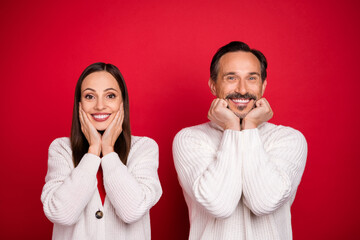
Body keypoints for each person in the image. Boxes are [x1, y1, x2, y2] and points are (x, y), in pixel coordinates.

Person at [173, 41, 307, 240]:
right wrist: (232, 128)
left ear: (263, 85)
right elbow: (220, 204)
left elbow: (263, 203)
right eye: (231, 78)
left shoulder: (288, 139)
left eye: (252, 78)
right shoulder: (190, 139)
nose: (243, 90)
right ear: (213, 85)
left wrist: (250, 126)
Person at [41, 62, 162, 240]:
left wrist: (108, 151)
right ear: (79, 104)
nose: (99, 106)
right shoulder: (61, 149)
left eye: (110, 96)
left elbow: (132, 211)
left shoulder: (143, 148)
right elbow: (61, 214)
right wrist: (93, 151)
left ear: (122, 103)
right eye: (90, 96)